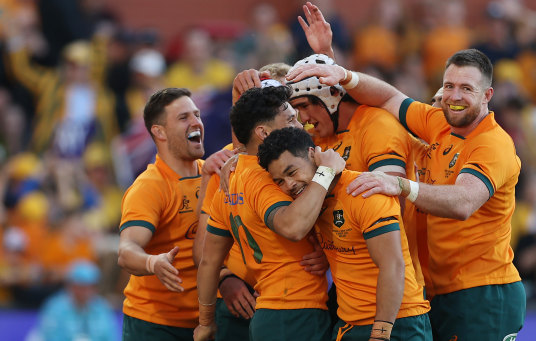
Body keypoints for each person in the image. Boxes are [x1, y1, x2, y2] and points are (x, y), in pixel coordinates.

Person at [287, 48, 526, 340]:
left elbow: (464, 202)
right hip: (435, 288)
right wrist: (344, 75)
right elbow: (389, 98)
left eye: (466, 88)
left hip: (483, 290)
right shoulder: (440, 124)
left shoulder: (493, 144)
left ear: (487, 95)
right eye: (449, 86)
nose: (454, 96)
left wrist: (402, 186)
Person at [194, 86, 341, 341]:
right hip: (295, 313)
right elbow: (293, 227)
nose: (300, 126)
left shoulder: (231, 180)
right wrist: (326, 173)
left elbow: (209, 263)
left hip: (270, 314)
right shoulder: (264, 178)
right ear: (263, 132)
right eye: (291, 119)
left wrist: (206, 322)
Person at [257, 127, 431, 341]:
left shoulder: (363, 191)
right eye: (280, 181)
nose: (290, 185)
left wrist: (380, 333)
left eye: (292, 172)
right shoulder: (309, 203)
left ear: (313, 155)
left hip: (396, 322)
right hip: (348, 324)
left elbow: (392, 265)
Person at [117, 88, 205, 340]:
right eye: (183, 117)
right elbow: (126, 251)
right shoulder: (150, 186)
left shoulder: (213, 173)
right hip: (155, 325)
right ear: (159, 131)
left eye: (196, 114)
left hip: (206, 321)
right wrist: (151, 262)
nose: (196, 122)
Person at [36, 260, 118, 341]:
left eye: (91, 286)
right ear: (70, 286)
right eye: (81, 287)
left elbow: (111, 336)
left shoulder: (102, 308)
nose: (86, 292)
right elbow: (50, 336)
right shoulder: (55, 308)